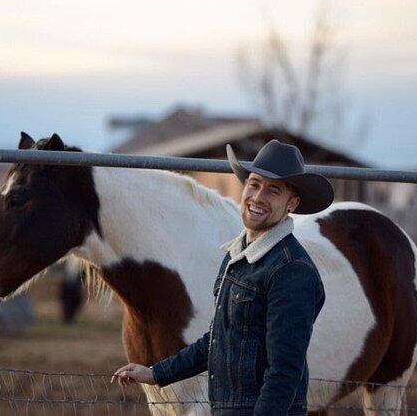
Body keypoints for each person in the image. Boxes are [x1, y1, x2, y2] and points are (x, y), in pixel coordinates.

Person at [112, 140, 334, 415]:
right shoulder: (237, 256)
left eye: (273, 190)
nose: (258, 197)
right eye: (254, 184)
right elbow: (219, 339)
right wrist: (156, 373)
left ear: (292, 204)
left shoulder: (292, 270)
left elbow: (284, 372)